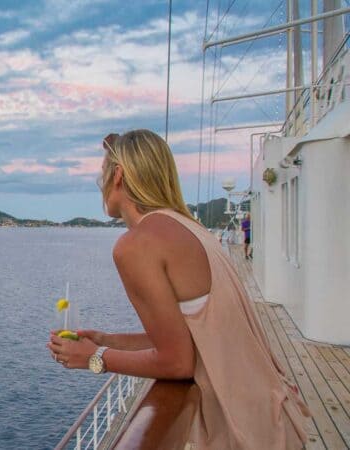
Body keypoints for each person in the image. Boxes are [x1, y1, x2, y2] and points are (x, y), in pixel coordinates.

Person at [46, 130, 309, 449]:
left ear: (118, 175)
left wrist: (94, 357)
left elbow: (177, 362)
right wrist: (108, 340)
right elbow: (195, 338)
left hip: (243, 432)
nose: (100, 185)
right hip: (269, 419)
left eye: (102, 174)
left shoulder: (137, 245)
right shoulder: (190, 229)